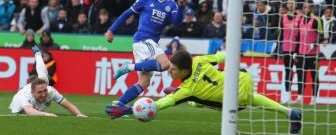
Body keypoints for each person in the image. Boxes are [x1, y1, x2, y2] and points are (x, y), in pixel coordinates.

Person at [106, 50, 302, 134]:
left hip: (235, 100)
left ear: (183, 71)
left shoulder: (188, 88)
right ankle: (291, 113)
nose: (170, 70)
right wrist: (235, 52)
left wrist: (129, 110)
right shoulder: (199, 60)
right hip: (242, 77)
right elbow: (222, 56)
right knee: (199, 99)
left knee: (196, 98)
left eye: (173, 69)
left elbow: (158, 105)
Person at [104, 0, 185, 108]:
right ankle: (128, 67)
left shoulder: (171, 4)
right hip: (143, 39)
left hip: (151, 43)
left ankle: (119, 105)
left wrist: (181, 6)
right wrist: (111, 30)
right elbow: (127, 14)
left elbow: (177, 23)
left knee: (144, 82)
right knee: (165, 65)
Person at [9, 46, 87, 117]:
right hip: (18, 107)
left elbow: (69, 106)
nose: (43, 94)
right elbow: (29, 111)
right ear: (32, 92)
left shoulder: (51, 91)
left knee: (43, 76)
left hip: (35, 90)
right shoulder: (25, 96)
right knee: (42, 77)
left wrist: (79, 114)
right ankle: (38, 55)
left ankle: (38, 54)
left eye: (45, 90)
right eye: (40, 92)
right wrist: (47, 114)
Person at [295, 0, 323, 105]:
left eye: (308, 7)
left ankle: (314, 99)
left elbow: (322, 35)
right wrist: (295, 51)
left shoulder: (315, 20)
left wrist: (314, 43)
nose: (306, 9)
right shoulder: (300, 20)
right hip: (301, 53)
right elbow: (297, 37)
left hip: (313, 54)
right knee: (300, 75)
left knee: (314, 76)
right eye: (304, 7)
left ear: (311, 8)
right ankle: (300, 97)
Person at [278, 0, 302, 103]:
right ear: (287, 5)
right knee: (288, 72)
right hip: (286, 49)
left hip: (298, 49)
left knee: (300, 72)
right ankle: (288, 96)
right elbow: (281, 34)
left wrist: (297, 50)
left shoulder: (300, 17)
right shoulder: (283, 18)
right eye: (289, 3)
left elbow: (301, 35)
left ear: (295, 5)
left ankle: (299, 97)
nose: (291, 5)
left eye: (293, 3)